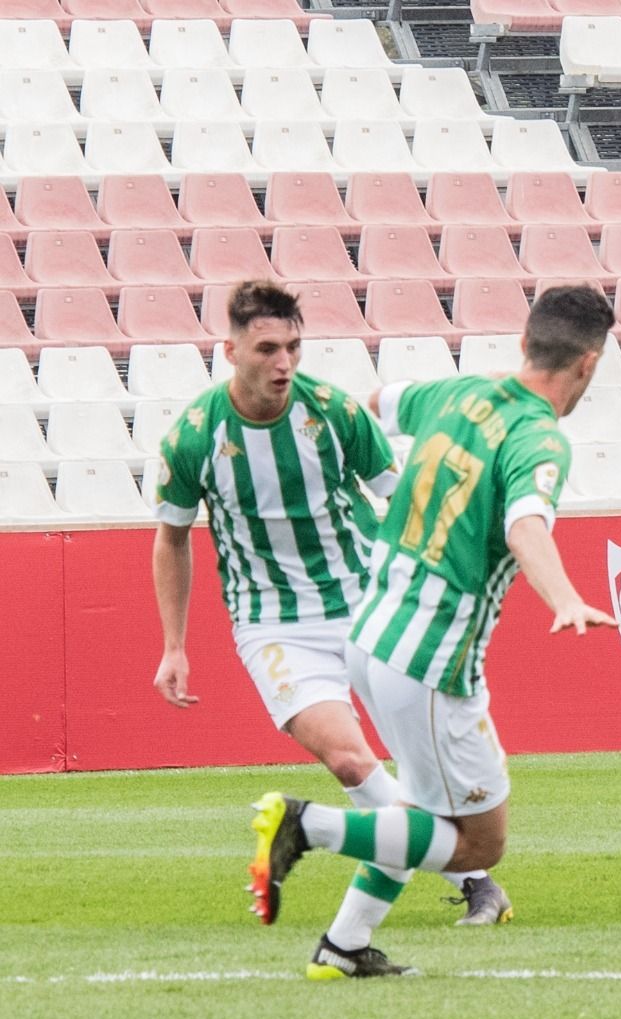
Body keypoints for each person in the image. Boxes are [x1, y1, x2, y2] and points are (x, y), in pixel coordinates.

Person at [245, 285, 618, 979]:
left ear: (523, 343)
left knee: (414, 812)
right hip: (432, 659)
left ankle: (343, 947)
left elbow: (373, 405)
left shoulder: (460, 393)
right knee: (479, 844)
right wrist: (564, 595)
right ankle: (307, 825)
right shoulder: (540, 439)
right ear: (590, 365)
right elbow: (525, 523)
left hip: (372, 632)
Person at [151, 280, 512, 933]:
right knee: (349, 761)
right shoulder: (193, 437)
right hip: (273, 622)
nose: (283, 362)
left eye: (292, 346)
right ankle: (474, 881)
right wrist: (174, 646)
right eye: (266, 349)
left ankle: (392, 909)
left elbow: (403, 496)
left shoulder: (336, 413)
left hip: (370, 602)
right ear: (230, 350)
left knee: (423, 767)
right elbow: (172, 540)